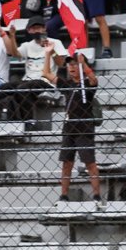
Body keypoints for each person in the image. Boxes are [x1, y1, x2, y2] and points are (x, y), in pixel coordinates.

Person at [46, 50, 102, 206]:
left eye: (75, 65)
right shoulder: (67, 85)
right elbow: (46, 74)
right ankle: (63, 195)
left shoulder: (86, 85)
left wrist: (83, 63)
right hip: (69, 128)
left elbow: (93, 79)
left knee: (90, 162)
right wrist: (47, 55)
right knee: (66, 162)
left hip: (84, 128)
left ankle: (97, 196)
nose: (71, 67)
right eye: (70, 64)